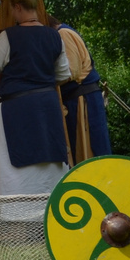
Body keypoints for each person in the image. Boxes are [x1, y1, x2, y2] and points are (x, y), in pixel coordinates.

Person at [0, 0, 71, 194]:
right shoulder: (54, 36)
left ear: (18, 7)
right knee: (49, 158)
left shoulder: (9, 36)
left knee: (17, 162)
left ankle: (17, 211)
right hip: (47, 106)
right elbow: (64, 74)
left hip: (17, 108)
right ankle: (49, 206)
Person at [50, 14, 112, 159]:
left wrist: (46, 80)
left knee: (91, 150)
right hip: (78, 99)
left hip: (83, 101)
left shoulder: (63, 34)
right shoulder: (62, 33)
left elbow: (72, 71)